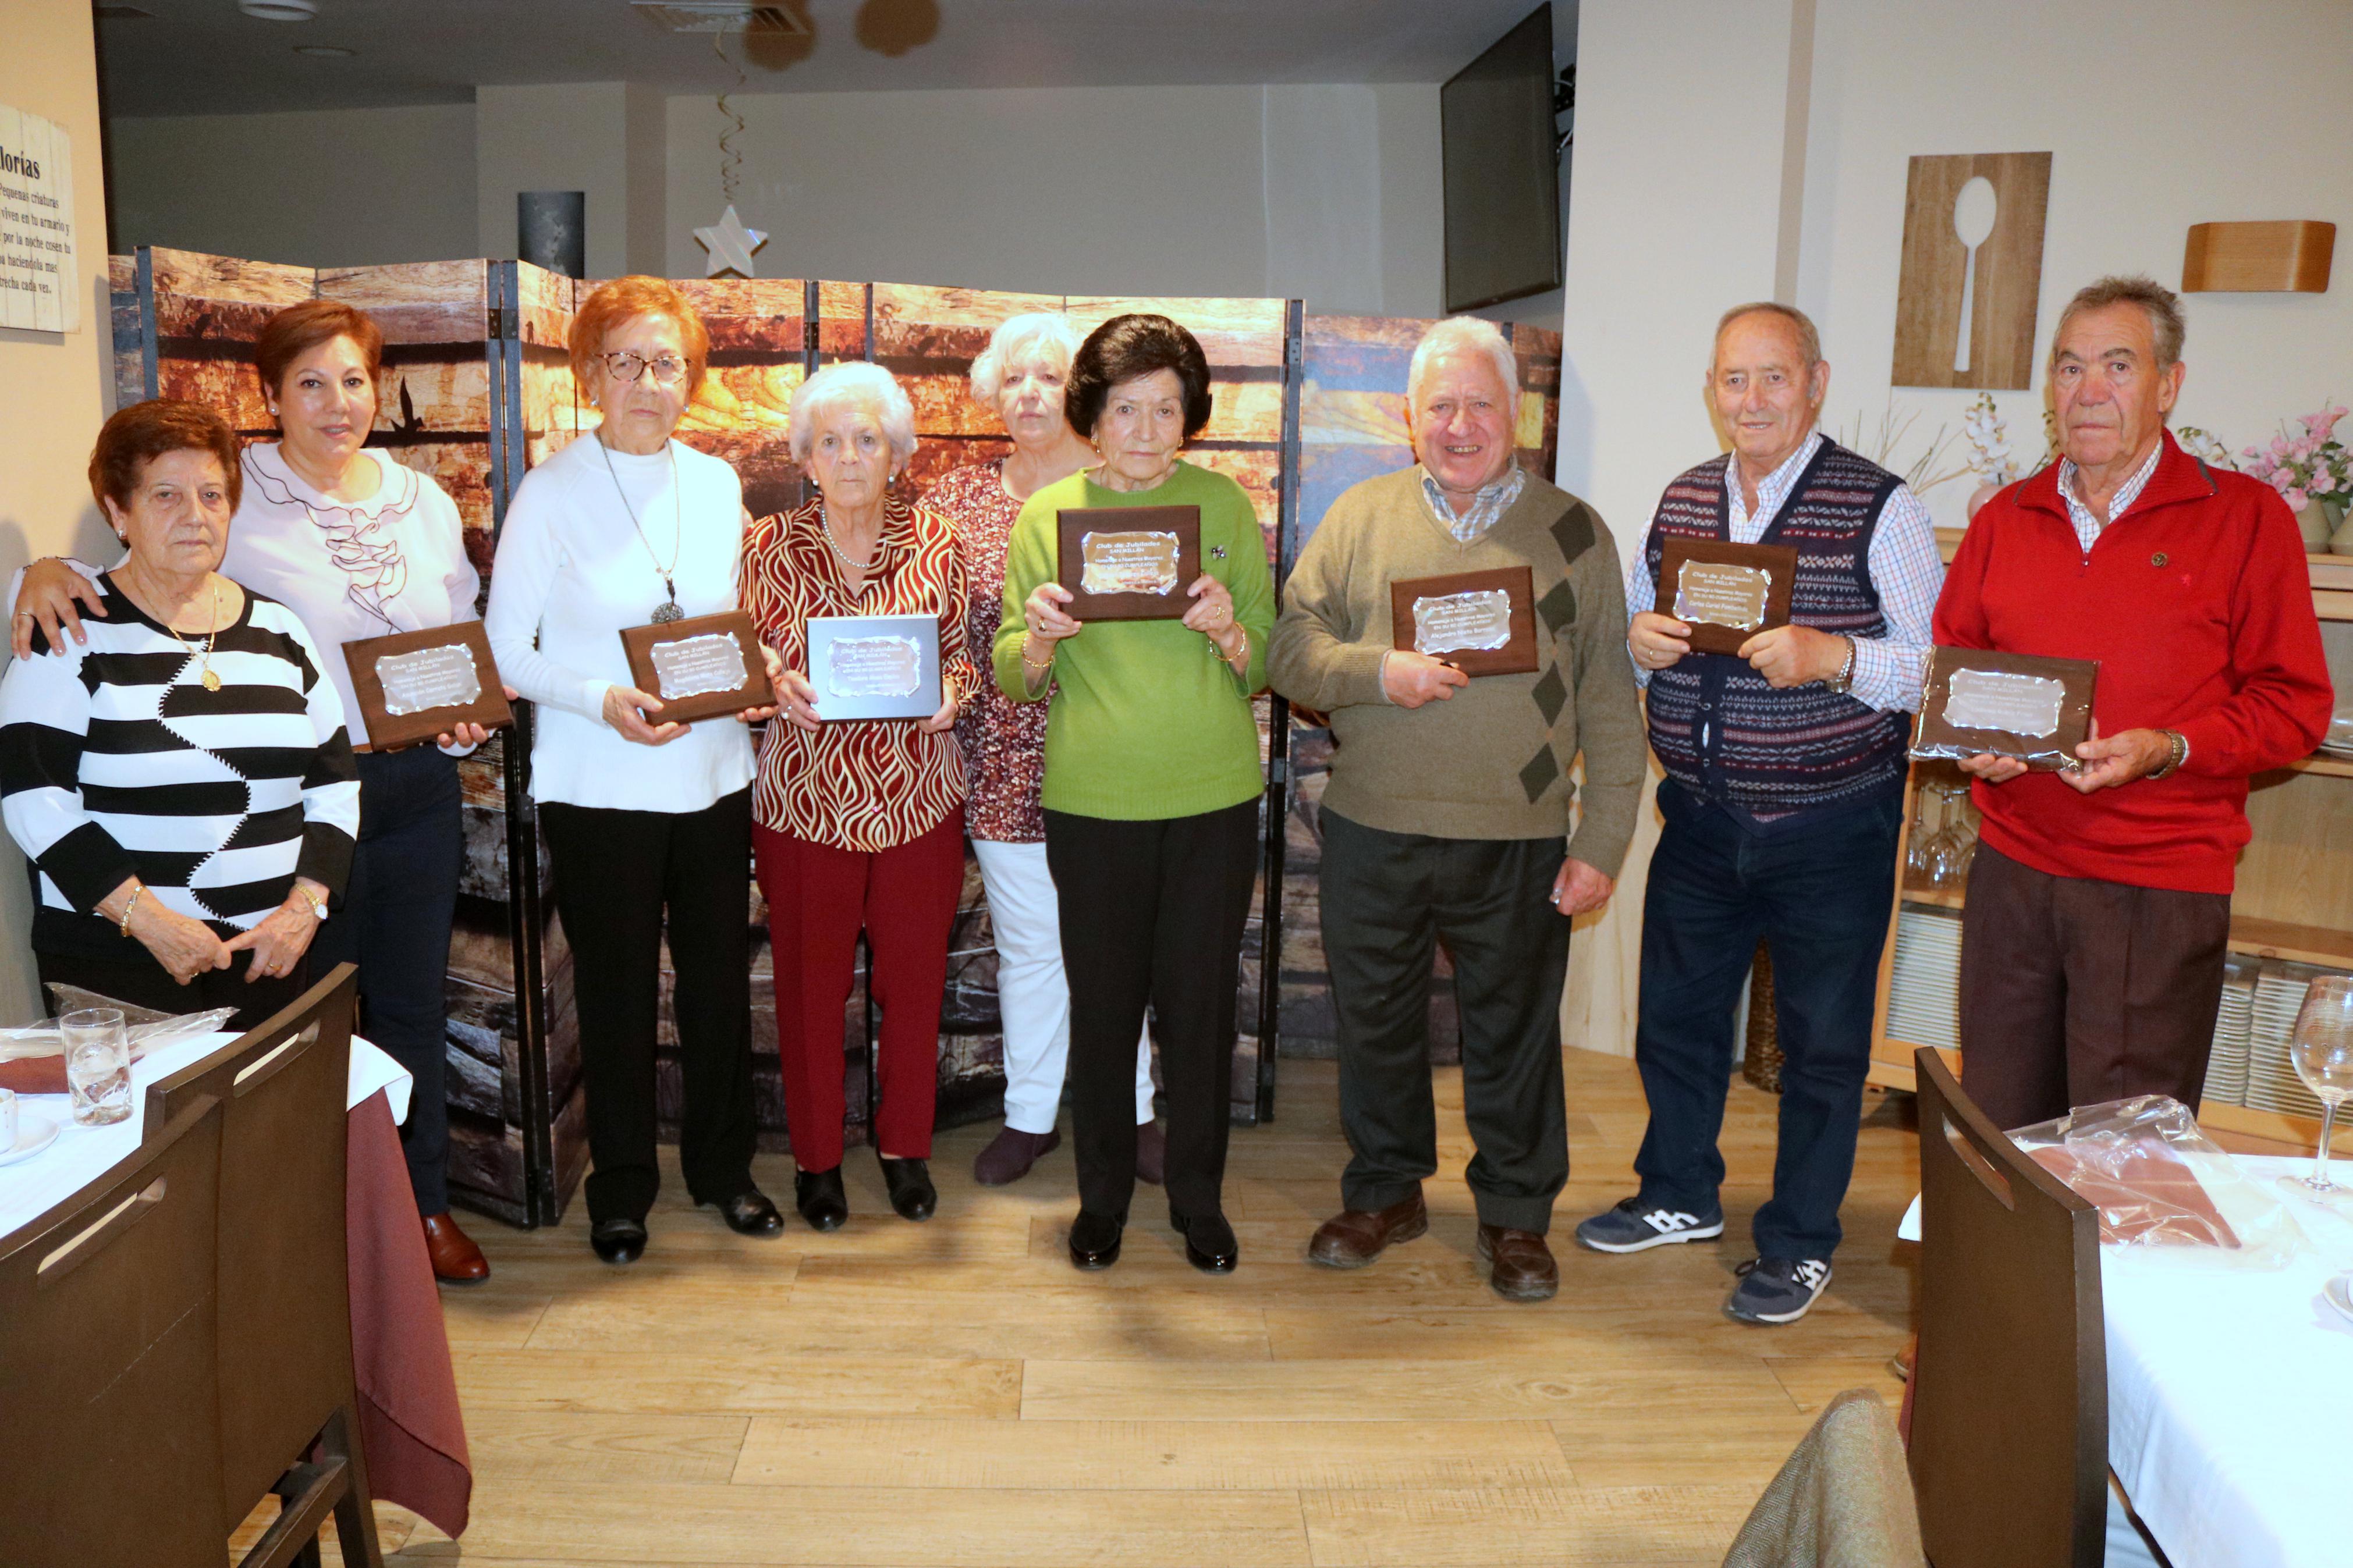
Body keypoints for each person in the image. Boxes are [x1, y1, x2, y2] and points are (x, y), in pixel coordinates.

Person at [10, 301, 502, 1282]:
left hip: (373, 825)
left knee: (388, 1020)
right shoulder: (107, 603)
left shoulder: (377, 540)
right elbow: (33, 781)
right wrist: (40, 569)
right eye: (310, 383)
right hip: (163, 926)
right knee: (207, 1129)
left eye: (355, 379)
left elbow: (412, 687)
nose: (196, 516)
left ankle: (398, 1222)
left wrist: (466, 713)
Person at [1574, 301, 1944, 1327]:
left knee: (1821, 1048)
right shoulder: (1685, 496)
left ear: (1815, 383)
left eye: (1772, 378)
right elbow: (1647, 622)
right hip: (1698, 817)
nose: (1751, 400)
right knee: (1676, 1023)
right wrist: (1640, 645)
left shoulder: (1882, 507)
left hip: (1831, 826)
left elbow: (1932, 670)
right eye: (1733, 381)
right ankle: (1678, 1195)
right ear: (1711, 390)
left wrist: (1835, 657)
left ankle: (1797, 1243)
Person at [1269, 316, 1647, 1303]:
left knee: (1513, 1036)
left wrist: (1601, 838)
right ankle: (1385, 1193)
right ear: (1408, 417)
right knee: (1376, 1027)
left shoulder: (1575, 533)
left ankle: (1517, 1218)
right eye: (1439, 405)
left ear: (1514, 411)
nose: (1460, 423)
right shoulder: (1360, 517)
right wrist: (1372, 671)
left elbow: (1607, 697)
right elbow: (1288, 650)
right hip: (1374, 825)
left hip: (1517, 839)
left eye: (1481, 401)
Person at [1937, 276, 2331, 1130]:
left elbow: (2293, 704)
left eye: (2117, 365)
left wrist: (2167, 745)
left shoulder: (2244, 518)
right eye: (2068, 367)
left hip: (2155, 886)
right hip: (2010, 874)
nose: (2088, 390)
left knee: (2126, 1155)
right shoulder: (2004, 518)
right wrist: (1969, 740)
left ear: (2167, 384)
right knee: (1999, 1137)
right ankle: (2010, 1274)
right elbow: (1952, 669)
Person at [484, 276, 782, 1266]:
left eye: (667, 364)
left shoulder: (714, 482)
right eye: (626, 362)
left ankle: (723, 1170)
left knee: (713, 992)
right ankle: (621, 1187)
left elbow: (725, 629)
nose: (648, 382)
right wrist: (600, 700)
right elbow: (506, 652)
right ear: (589, 374)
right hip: (600, 783)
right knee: (612, 996)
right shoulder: (552, 491)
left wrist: (755, 678)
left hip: (709, 777)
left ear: (689, 378)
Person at [995, 313, 1273, 1274]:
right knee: (1103, 1011)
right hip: (1093, 802)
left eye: (1165, 409)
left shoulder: (1224, 507)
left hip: (1210, 799)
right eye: (1126, 409)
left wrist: (1232, 633)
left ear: (1189, 415)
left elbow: (1265, 657)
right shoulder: (1047, 517)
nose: (1147, 429)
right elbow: (1010, 674)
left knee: (1198, 1013)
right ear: (1092, 415)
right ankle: (1101, 1199)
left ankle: (1198, 1199)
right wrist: (1036, 638)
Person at [0, 399, 357, 1032]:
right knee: (152, 1134)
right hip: (121, 966)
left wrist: (304, 907)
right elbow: (33, 798)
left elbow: (333, 783)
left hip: (271, 958)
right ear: (119, 512)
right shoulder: (71, 633)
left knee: (275, 1129)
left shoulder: (281, 630)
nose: (196, 516)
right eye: (166, 495)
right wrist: (151, 922)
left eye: (212, 495)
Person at [924, 313, 1162, 1188]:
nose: (1030, 393)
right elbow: (939, 627)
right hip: (1005, 757)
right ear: (992, 391)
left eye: (1049, 376)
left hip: (1114, 756)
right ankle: (1029, 1116)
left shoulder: (1127, 492)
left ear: (1082, 394)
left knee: (1118, 945)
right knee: (1029, 947)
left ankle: (1131, 1113)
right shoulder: (953, 502)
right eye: (1014, 377)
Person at [744, 361, 971, 1230]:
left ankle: (904, 1144)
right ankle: (816, 1159)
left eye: (867, 440)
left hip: (917, 798)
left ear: (896, 455)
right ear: (803, 458)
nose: (848, 457)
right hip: (805, 805)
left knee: (912, 984)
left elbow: (958, 650)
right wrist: (768, 675)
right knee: (810, 984)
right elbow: (745, 661)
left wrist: (953, 690)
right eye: (829, 441)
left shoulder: (937, 542)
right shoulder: (764, 548)